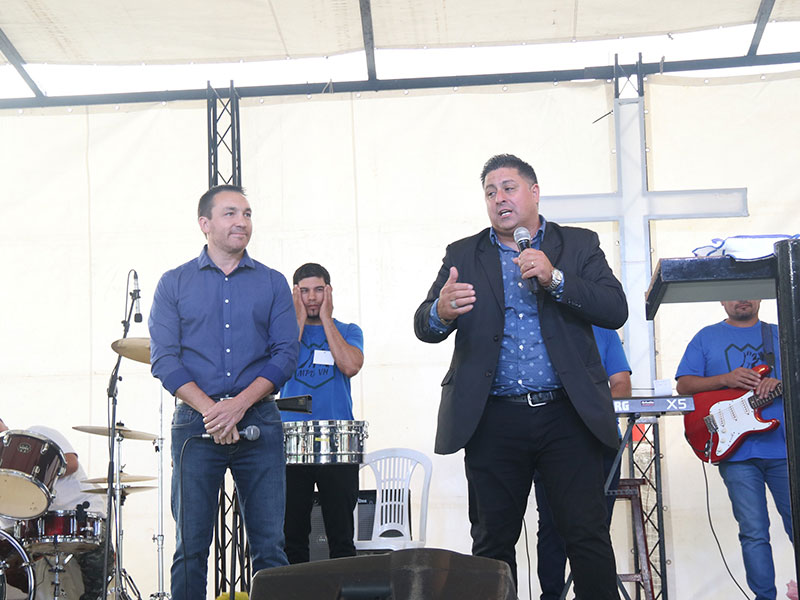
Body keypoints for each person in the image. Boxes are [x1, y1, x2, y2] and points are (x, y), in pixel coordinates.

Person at [414, 153, 627, 598]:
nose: (499, 199)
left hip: (567, 415)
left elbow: (615, 308)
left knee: (586, 535)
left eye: (508, 188)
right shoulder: (462, 254)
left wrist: (556, 279)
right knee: (492, 542)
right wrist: (441, 311)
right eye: (490, 192)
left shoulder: (579, 244)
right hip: (493, 416)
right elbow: (424, 325)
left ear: (534, 192)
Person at [149, 184, 299, 600]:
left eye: (247, 214)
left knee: (270, 547)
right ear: (205, 223)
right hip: (195, 425)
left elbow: (286, 354)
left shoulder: (272, 282)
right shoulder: (174, 283)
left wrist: (238, 406)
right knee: (191, 547)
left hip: (260, 420)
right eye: (230, 213)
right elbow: (164, 359)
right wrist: (213, 412)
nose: (242, 222)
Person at [676, 300, 794, 600]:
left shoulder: (782, 334)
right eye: (734, 294)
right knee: (754, 531)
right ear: (722, 299)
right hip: (735, 452)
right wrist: (724, 379)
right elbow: (684, 385)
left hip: (784, 449)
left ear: (760, 297)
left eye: (748, 293)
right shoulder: (706, 337)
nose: (742, 299)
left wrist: (784, 382)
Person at [534, 326, 631, 600]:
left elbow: (622, 384)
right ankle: (551, 594)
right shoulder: (539, 325)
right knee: (551, 525)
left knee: (595, 527)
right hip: (551, 439)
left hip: (598, 439)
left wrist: (590, 409)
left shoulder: (605, 331)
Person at [280, 262, 364, 564]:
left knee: (341, 537)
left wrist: (327, 319)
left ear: (329, 291)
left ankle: (342, 587)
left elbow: (350, 366)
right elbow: (279, 368)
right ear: (294, 294)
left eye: (318, 290)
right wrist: (296, 320)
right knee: (292, 537)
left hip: (337, 442)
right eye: (304, 291)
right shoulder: (282, 335)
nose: (312, 297)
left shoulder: (348, 330)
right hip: (291, 443)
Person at [0, 417, 109, 600]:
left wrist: (32, 477)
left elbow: (71, 463)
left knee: (97, 571)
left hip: (80, 516)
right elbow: (11, 522)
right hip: (35, 527)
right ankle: (38, 592)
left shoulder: (36, 433)